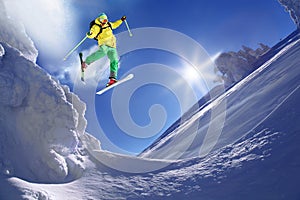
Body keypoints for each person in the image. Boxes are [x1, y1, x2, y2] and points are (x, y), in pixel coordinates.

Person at [81, 13, 126, 86]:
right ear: (99, 19)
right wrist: (89, 34)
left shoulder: (109, 24)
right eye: (103, 20)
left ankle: (112, 79)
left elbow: (115, 24)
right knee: (103, 52)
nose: (104, 21)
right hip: (104, 44)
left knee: (114, 60)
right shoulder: (96, 26)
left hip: (112, 45)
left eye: (105, 20)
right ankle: (86, 62)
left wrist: (121, 20)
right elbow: (93, 34)